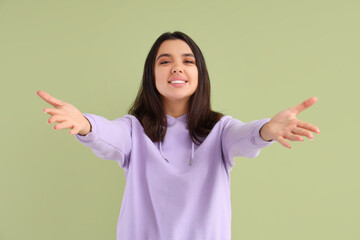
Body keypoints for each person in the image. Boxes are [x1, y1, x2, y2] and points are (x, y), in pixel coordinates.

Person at [37, 31, 320, 240]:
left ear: (199, 74)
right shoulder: (134, 130)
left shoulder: (219, 130)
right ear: (152, 74)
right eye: (165, 61)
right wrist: (85, 124)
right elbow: (108, 135)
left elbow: (244, 137)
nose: (177, 67)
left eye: (188, 61)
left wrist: (266, 130)